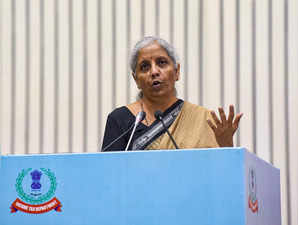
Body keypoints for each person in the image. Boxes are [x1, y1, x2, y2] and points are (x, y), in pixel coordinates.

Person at [102, 36, 243, 151]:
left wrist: (226, 146)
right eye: (145, 67)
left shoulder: (203, 120)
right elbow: (109, 176)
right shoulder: (119, 120)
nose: (154, 72)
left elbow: (219, 175)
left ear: (177, 72)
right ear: (136, 79)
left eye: (162, 63)